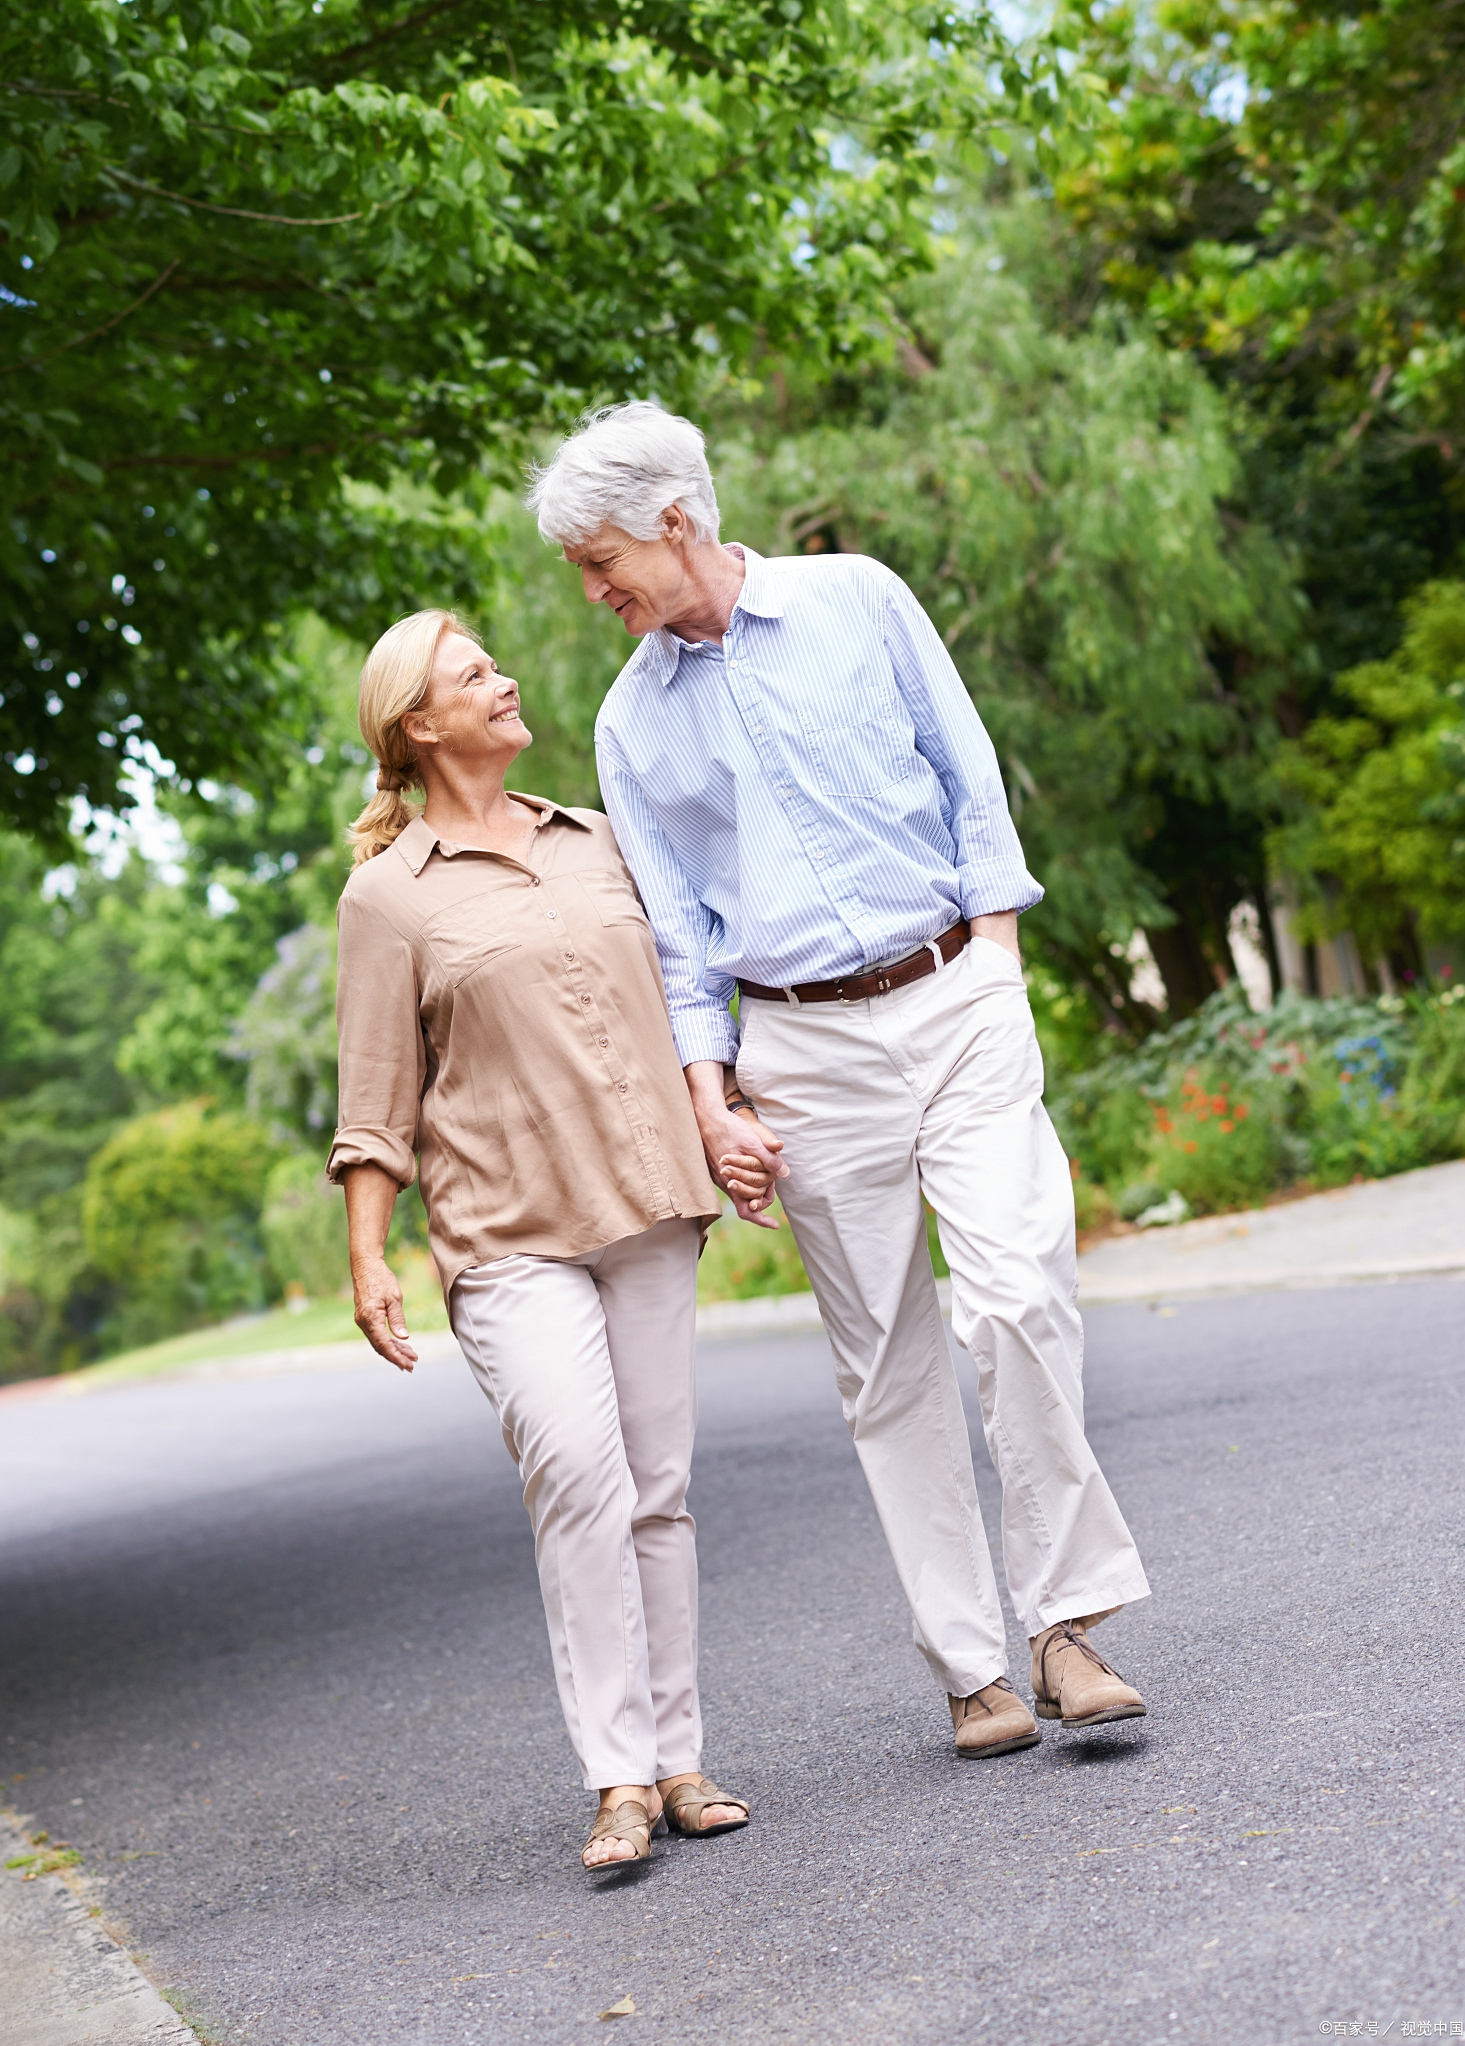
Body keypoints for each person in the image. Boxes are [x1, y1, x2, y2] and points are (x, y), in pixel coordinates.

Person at [526, 402, 1152, 1757]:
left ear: (673, 521)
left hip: (953, 989)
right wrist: (713, 1097)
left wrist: (991, 943)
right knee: (885, 1366)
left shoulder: (856, 600)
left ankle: (1067, 1620)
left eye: (599, 561)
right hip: (797, 1043)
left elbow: (963, 765)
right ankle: (973, 1667)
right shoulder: (629, 725)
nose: (592, 592)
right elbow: (681, 935)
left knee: (1018, 1291)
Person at [326, 607, 750, 1868]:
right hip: (506, 1230)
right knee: (580, 1472)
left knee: (658, 1490)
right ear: (420, 722)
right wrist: (368, 1253)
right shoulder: (387, 899)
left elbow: (688, 990)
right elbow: (373, 1097)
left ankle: (677, 1761)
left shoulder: (601, 842)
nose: (504, 679)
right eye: (475, 673)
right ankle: (614, 1776)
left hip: (644, 1198)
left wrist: (724, 1113)